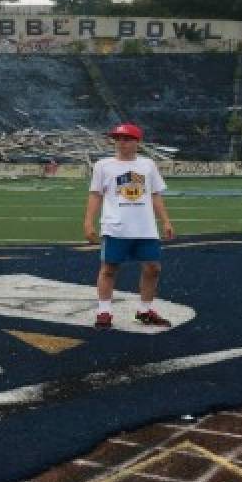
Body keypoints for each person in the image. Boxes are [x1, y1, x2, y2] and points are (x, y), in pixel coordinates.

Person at [83, 122, 175, 328]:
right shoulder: (103, 165)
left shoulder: (148, 165)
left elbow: (155, 194)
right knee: (109, 268)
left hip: (145, 228)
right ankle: (104, 312)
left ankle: (144, 311)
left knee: (153, 268)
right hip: (116, 226)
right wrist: (88, 222)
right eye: (118, 139)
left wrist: (166, 221)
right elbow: (95, 195)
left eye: (126, 139)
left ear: (137, 142)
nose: (121, 143)